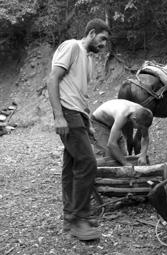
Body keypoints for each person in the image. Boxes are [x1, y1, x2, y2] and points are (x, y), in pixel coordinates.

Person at [47, 18, 110, 241]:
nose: (104, 45)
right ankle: (79, 218)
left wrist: (88, 123)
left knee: (72, 164)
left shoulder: (90, 62)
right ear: (91, 33)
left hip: (78, 115)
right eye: (102, 39)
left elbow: (81, 96)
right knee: (87, 162)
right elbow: (53, 79)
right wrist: (58, 116)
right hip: (67, 112)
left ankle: (69, 217)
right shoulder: (72, 47)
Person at [91, 99, 153, 166]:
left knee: (122, 155)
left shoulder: (143, 114)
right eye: (140, 127)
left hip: (113, 124)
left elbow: (145, 137)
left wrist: (143, 156)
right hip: (99, 123)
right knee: (108, 157)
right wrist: (125, 163)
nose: (140, 130)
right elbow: (111, 144)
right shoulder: (122, 116)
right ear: (134, 119)